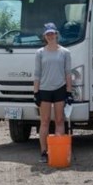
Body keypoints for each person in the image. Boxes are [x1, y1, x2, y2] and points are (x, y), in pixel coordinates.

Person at [33, 22, 73, 163]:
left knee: (59, 120)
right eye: (47, 34)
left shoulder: (65, 52)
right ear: (45, 36)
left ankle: (58, 150)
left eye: (52, 33)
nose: (50, 36)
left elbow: (68, 73)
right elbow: (37, 74)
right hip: (44, 90)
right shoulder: (40, 53)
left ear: (56, 34)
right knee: (44, 121)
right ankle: (44, 152)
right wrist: (36, 93)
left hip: (60, 89)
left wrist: (69, 92)